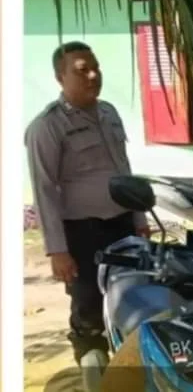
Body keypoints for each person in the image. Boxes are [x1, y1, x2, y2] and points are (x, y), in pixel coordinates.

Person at [25, 42, 150, 373]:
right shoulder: (47, 126)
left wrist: (139, 217)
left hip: (123, 226)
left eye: (96, 68)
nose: (93, 75)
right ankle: (94, 371)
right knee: (89, 305)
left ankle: (129, 370)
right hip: (82, 234)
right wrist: (57, 250)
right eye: (82, 70)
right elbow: (44, 190)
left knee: (132, 297)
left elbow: (124, 168)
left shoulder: (109, 113)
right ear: (60, 77)